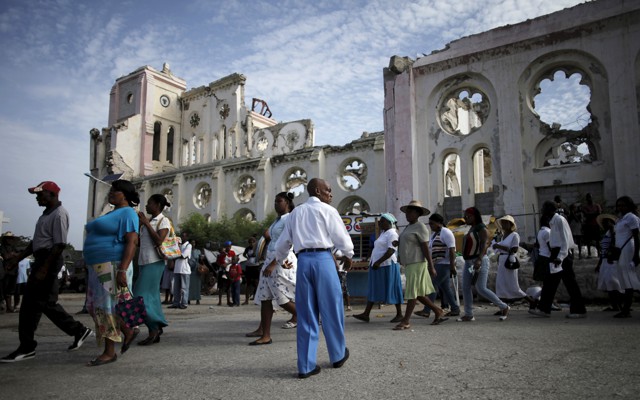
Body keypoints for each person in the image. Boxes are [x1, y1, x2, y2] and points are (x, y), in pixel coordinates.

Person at [1, 182, 92, 363]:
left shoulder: (59, 214)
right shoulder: (45, 215)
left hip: (48, 260)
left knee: (32, 305)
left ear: (52, 195)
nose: (37, 198)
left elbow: (59, 245)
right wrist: (17, 259)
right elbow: (36, 243)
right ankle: (78, 330)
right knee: (43, 303)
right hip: (43, 259)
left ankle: (27, 347)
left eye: (40, 195)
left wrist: (44, 268)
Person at [274, 178, 353, 379]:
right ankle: (337, 355)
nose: (331, 194)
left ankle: (306, 365)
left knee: (307, 313)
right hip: (323, 260)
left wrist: (281, 259)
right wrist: (348, 255)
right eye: (328, 190)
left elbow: (283, 243)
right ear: (317, 190)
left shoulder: (295, 213)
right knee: (331, 309)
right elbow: (343, 239)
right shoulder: (328, 211)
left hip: (304, 262)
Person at [83, 179, 140, 366]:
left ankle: (109, 352)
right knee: (95, 307)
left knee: (106, 307)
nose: (111, 193)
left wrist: (123, 269)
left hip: (112, 264)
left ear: (125, 194)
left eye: (115, 190)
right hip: (98, 265)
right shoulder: (113, 213)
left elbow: (132, 242)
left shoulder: (128, 213)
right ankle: (128, 330)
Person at [248, 192, 297, 345]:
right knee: (265, 298)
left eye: (279, 201)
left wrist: (274, 262)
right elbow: (270, 239)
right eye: (275, 201)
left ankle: (308, 318)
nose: (276, 204)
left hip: (280, 260)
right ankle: (265, 333)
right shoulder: (277, 220)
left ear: (287, 203)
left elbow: (288, 243)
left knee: (281, 299)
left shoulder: (290, 218)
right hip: (270, 259)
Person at [393, 200, 447, 330]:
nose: (408, 214)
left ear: (418, 213)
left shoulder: (421, 227)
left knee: (412, 292)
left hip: (417, 262)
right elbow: (410, 243)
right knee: (417, 293)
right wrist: (398, 243)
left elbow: (425, 247)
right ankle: (437, 310)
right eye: (407, 211)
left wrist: (431, 265)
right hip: (410, 263)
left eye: (411, 211)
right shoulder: (408, 227)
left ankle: (406, 320)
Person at [529, 201, 587, 319]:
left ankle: (579, 310)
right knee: (550, 282)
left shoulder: (559, 220)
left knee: (570, 283)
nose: (542, 211)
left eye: (543, 208)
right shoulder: (552, 222)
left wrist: (560, 257)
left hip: (562, 255)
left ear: (549, 209)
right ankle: (544, 309)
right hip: (556, 254)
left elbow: (565, 241)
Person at [457, 207, 510, 322]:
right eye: (465, 216)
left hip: (478, 260)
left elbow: (485, 244)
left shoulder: (481, 228)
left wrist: (479, 259)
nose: (466, 218)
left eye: (468, 216)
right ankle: (469, 314)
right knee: (466, 287)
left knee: (480, 288)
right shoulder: (472, 228)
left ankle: (503, 306)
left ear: (474, 216)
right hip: (469, 262)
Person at [353, 213, 404, 323]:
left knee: (393, 288)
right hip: (378, 265)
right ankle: (366, 314)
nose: (380, 223)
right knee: (373, 288)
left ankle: (399, 314)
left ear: (389, 222)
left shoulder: (392, 234)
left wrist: (378, 262)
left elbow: (391, 250)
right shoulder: (383, 233)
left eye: (382, 221)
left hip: (387, 265)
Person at [134, 194, 170, 345]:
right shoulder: (147, 221)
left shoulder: (164, 221)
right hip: (144, 261)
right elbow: (140, 243)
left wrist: (146, 225)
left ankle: (153, 328)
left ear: (157, 205)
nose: (147, 206)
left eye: (149, 204)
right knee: (152, 296)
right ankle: (157, 325)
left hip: (154, 261)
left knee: (140, 296)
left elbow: (159, 240)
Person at [426, 213, 460, 316]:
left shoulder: (446, 232)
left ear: (439, 223)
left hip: (444, 264)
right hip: (437, 263)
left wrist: (452, 265)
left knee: (432, 286)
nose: (430, 226)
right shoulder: (434, 234)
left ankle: (427, 310)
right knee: (445, 287)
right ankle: (455, 308)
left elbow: (452, 249)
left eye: (432, 224)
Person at [612, 196, 640, 318]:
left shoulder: (632, 218)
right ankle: (626, 308)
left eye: (623, 205)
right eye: (619, 205)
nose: (620, 207)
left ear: (629, 205)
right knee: (627, 278)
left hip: (628, 249)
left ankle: (626, 309)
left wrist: (636, 256)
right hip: (621, 251)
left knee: (630, 279)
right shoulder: (620, 219)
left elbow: (637, 237)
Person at [492, 215, 528, 304]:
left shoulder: (514, 235)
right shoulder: (503, 236)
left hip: (509, 261)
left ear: (511, 224)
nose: (504, 224)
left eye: (506, 223)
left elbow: (514, 249)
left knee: (512, 285)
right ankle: (503, 306)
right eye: (502, 223)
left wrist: (498, 246)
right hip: (502, 260)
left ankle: (531, 300)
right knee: (501, 284)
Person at [594, 214, 623, 312]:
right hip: (606, 260)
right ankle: (616, 305)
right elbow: (603, 251)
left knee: (613, 284)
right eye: (604, 222)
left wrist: (611, 256)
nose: (605, 224)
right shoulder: (608, 232)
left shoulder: (613, 232)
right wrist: (599, 264)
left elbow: (614, 246)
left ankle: (617, 305)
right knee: (610, 284)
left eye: (607, 222)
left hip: (611, 261)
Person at [170, 233, 192, 310]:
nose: (183, 237)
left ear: (187, 237)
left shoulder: (188, 245)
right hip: (177, 269)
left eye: (184, 235)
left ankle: (184, 303)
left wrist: (174, 255)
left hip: (184, 270)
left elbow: (183, 256)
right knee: (176, 288)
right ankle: (176, 303)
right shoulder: (179, 246)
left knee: (184, 288)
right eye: (182, 235)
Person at [581, 193, 602, 258]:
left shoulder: (597, 205)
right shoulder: (585, 207)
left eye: (590, 197)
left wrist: (590, 214)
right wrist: (593, 214)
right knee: (588, 240)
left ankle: (599, 253)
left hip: (596, 224)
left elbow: (599, 213)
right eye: (588, 197)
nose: (589, 199)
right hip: (588, 225)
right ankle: (589, 253)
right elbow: (586, 214)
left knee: (597, 240)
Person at [242, 236, 260, 305]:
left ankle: (257, 299)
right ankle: (246, 300)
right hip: (249, 267)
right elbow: (244, 254)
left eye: (253, 242)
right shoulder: (247, 248)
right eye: (250, 242)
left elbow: (262, 256)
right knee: (248, 284)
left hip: (256, 266)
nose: (251, 243)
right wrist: (248, 257)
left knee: (256, 283)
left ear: (255, 242)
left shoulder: (258, 249)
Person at [216, 241, 235, 306]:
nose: (228, 247)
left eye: (229, 246)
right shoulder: (221, 253)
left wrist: (227, 264)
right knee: (221, 286)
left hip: (229, 271)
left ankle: (228, 301)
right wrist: (221, 265)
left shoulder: (232, 253)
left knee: (228, 287)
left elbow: (234, 260)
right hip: (222, 271)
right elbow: (217, 262)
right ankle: (220, 301)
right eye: (227, 246)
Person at [188, 240, 202, 305]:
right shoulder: (187, 250)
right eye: (192, 243)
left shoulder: (198, 251)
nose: (193, 244)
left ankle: (197, 299)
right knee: (189, 284)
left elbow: (201, 260)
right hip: (189, 269)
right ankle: (188, 299)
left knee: (197, 285)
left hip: (197, 269)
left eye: (194, 243)